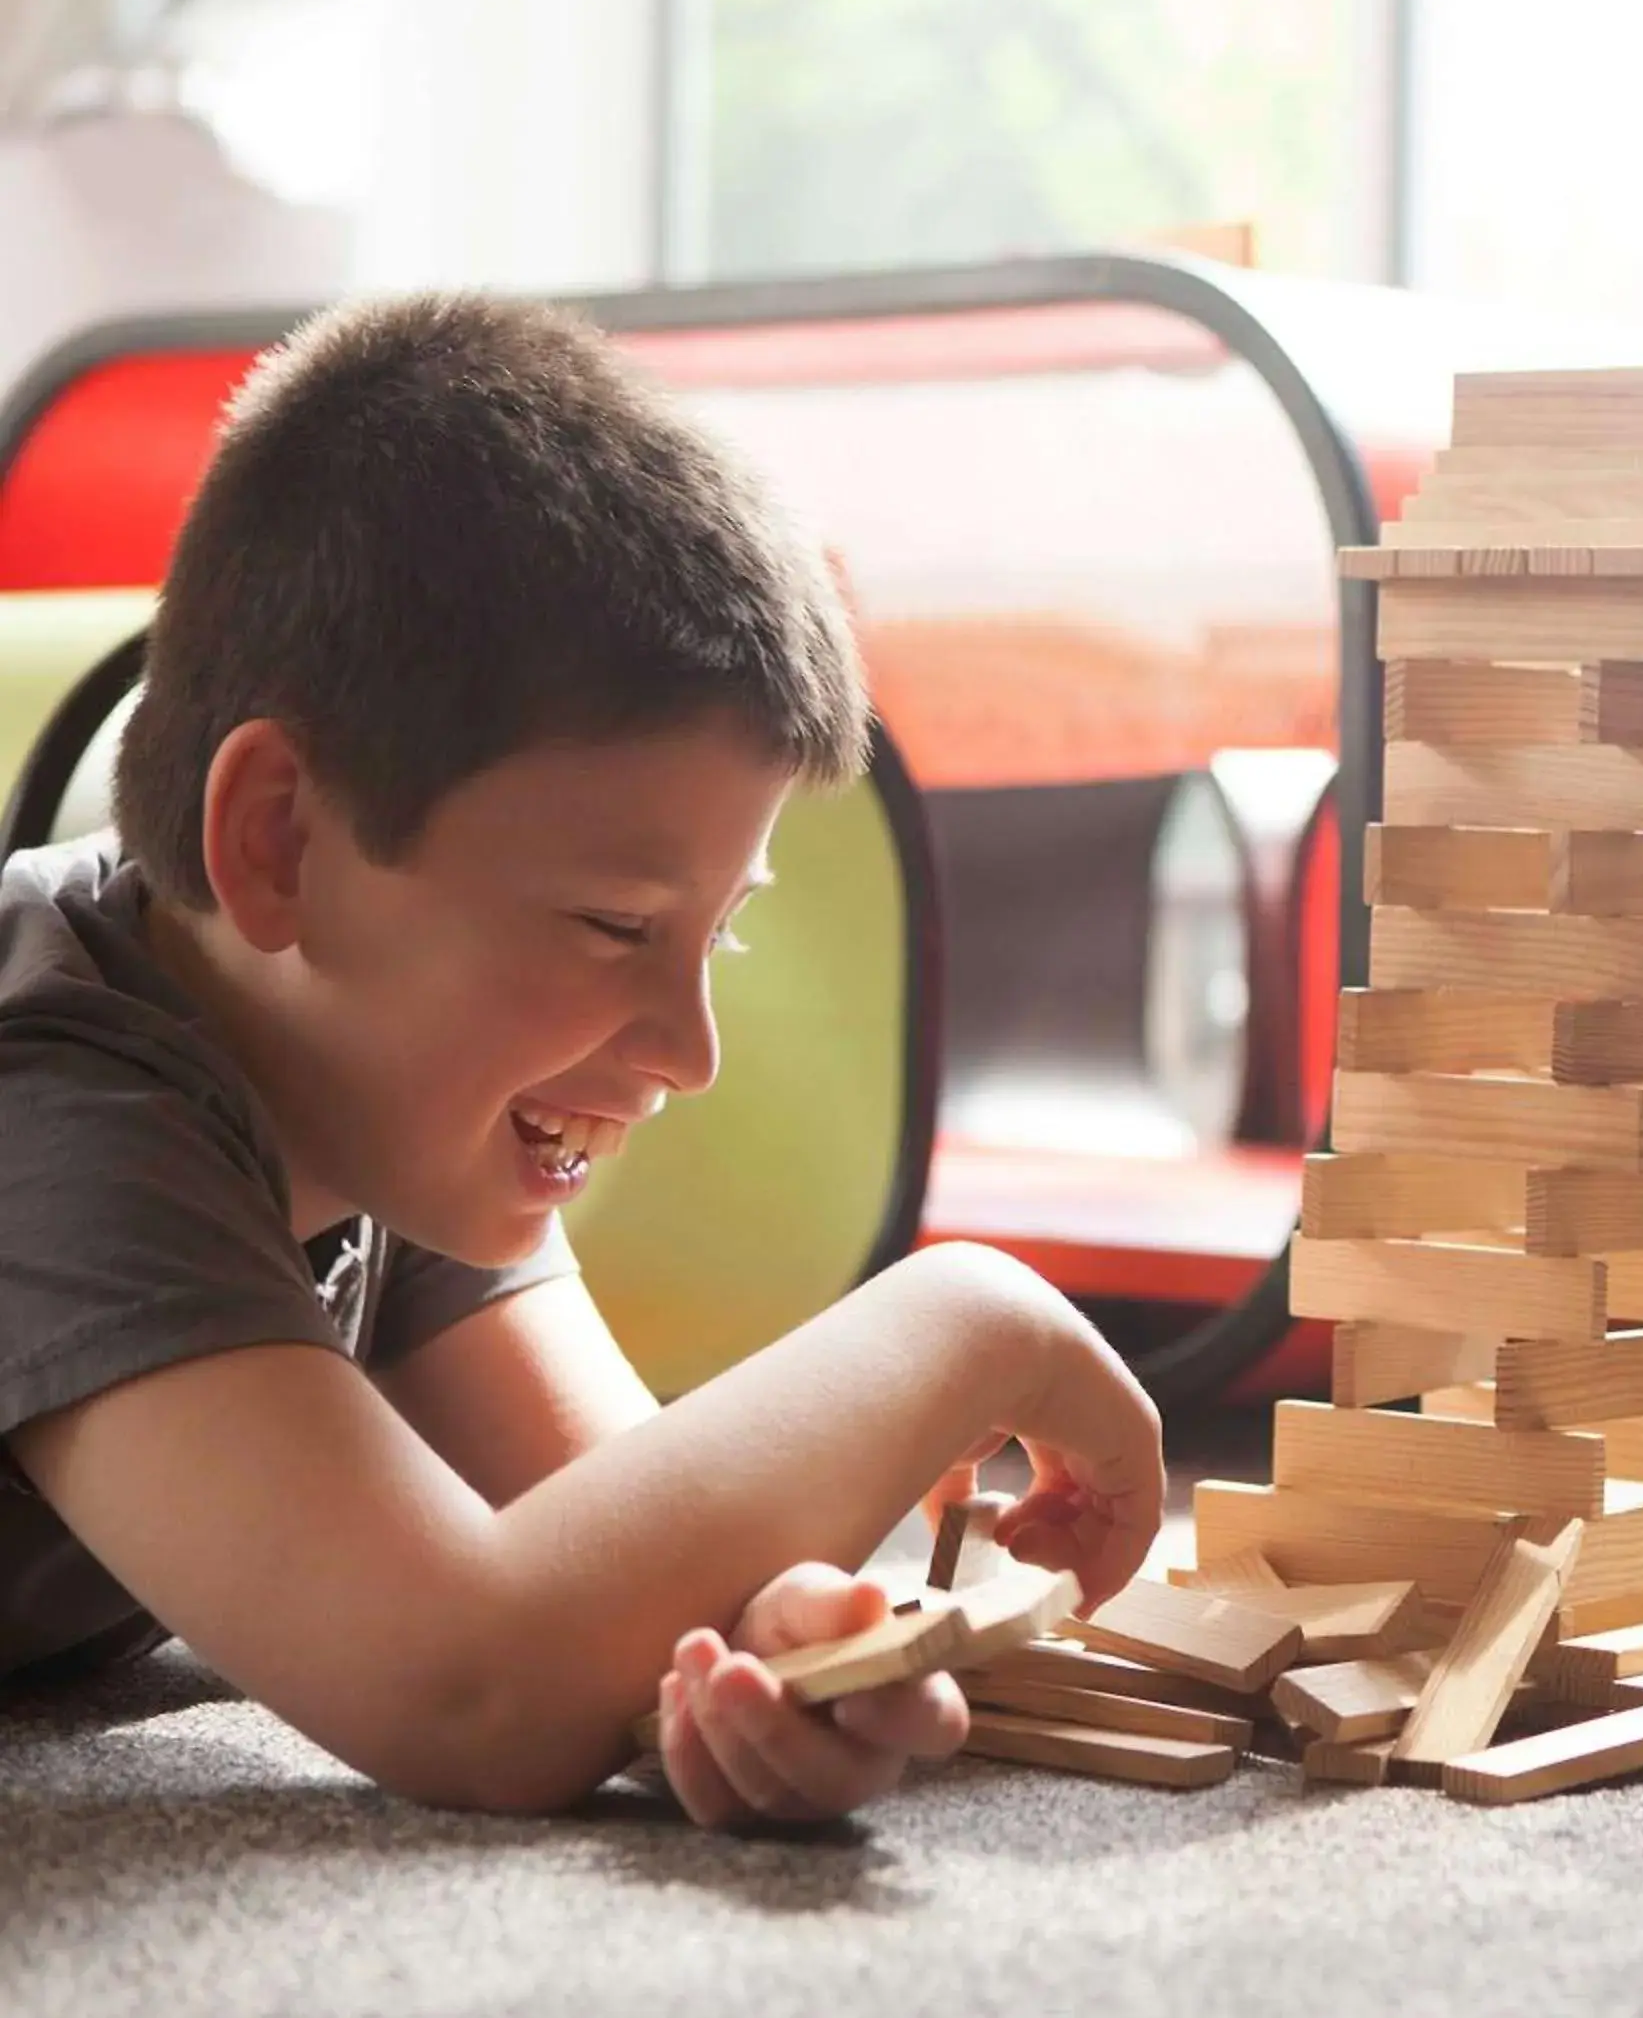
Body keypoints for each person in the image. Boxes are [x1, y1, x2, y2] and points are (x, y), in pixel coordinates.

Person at [0, 293, 1164, 1825]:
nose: (690, 1052)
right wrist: (973, 1316)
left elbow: (612, 1538)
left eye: (718, 930)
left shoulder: (372, 1101)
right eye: (616, 925)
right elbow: (469, 1682)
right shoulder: (57, 1103)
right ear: (279, 839)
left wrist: (764, 1645)